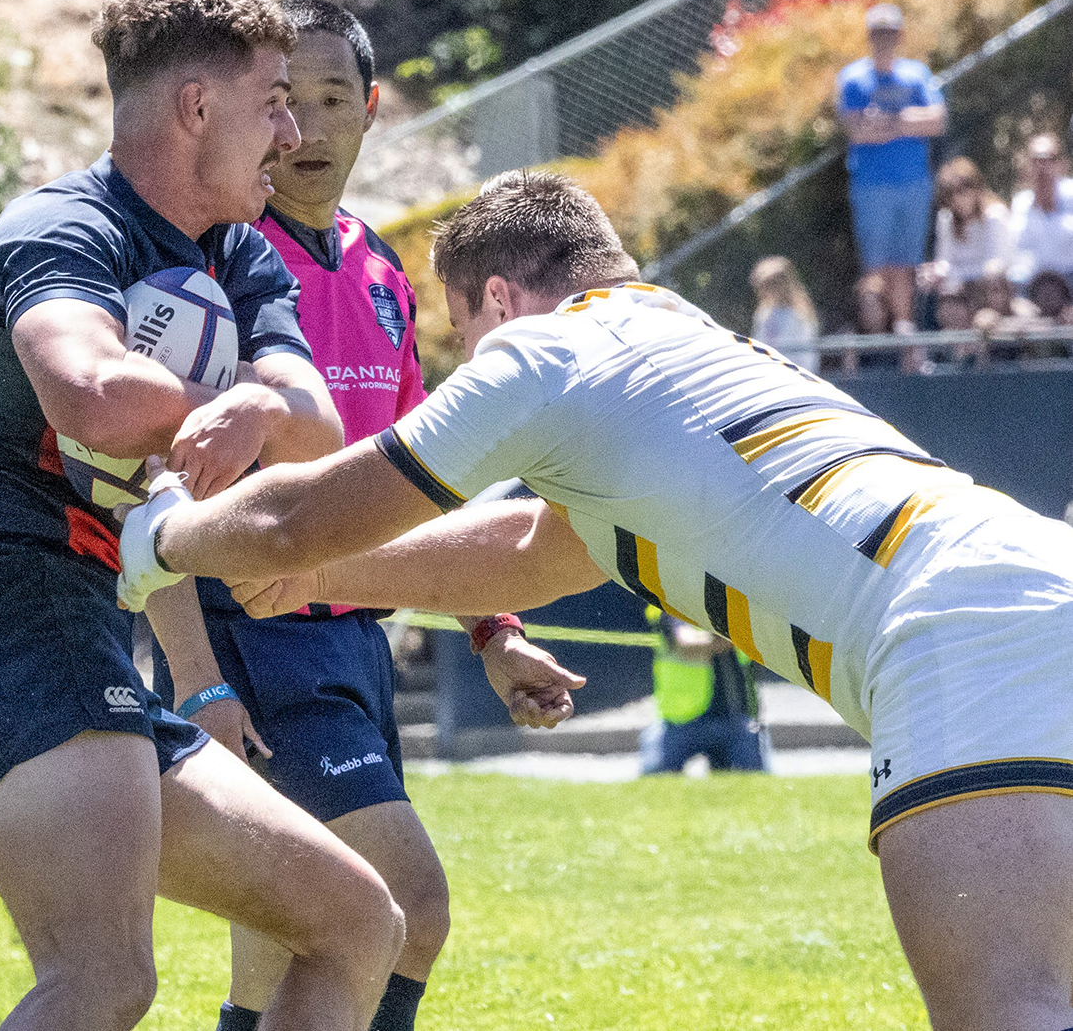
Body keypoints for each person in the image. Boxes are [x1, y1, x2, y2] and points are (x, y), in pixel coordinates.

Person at [121, 169, 1073, 1030]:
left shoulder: (541, 357)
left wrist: (160, 538)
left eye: (463, 333)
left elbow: (307, 515)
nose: (470, 357)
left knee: (1008, 1007)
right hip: (1034, 576)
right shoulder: (680, 341)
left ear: (497, 297)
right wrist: (325, 583)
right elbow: (540, 551)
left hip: (958, 635)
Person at [0, 0, 404, 1031]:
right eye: (270, 99)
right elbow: (89, 395)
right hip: (0, 624)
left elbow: (315, 425)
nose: (286, 132)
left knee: (357, 925)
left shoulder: (238, 253)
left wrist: (259, 417)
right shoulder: (59, 228)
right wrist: (227, 404)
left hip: (92, 632)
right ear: (196, 107)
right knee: (104, 980)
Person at [158, 0, 556, 1031]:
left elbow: (424, 476)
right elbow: (154, 490)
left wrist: (493, 628)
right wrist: (199, 680)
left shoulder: (380, 271)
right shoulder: (215, 272)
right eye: (288, 100)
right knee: (405, 909)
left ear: (371, 110)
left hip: (355, 645)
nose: (310, 126)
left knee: (277, 952)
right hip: (260, 638)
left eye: (335, 98)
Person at [836, 2, 946, 368]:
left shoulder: (917, 75)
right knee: (876, 269)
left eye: (889, 32)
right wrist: (906, 123)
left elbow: (937, 120)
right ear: (869, 37)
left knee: (906, 265)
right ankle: (870, 348)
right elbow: (857, 130)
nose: (884, 39)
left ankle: (906, 341)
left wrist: (890, 122)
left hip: (913, 183)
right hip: (871, 187)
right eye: (877, 33)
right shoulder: (853, 78)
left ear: (899, 36)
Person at [639, 607, 768, 775]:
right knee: (655, 777)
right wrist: (722, 639)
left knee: (755, 776)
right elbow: (685, 643)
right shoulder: (669, 603)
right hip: (680, 720)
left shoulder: (736, 604)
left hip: (732, 717)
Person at [923, 157, 1014, 336]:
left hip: (991, 290)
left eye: (963, 190)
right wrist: (934, 273)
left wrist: (957, 274)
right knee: (941, 291)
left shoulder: (995, 215)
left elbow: (997, 265)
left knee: (992, 286)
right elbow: (945, 261)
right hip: (960, 292)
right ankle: (952, 353)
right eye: (951, 193)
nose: (958, 198)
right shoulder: (945, 218)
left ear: (977, 188)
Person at [1007, 132, 1073, 319]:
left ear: (1062, 164)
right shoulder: (1020, 204)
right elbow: (1015, 260)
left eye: (1048, 159)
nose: (1042, 167)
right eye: (1035, 160)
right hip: (1031, 290)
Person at [747, 256, 820, 371]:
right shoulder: (764, 314)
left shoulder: (799, 314)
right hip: (769, 372)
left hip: (794, 374)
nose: (764, 291)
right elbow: (758, 343)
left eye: (770, 285)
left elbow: (807, 353)